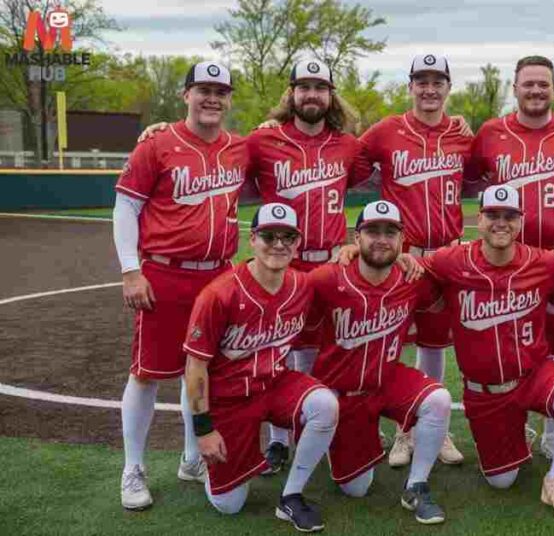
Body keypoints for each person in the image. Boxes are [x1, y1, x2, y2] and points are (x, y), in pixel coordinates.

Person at [113, 61, 248, 510]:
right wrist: (131, 269)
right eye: (203, 90)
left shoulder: (239, 147)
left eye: (220, 91)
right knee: (148, 373)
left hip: (218, 273)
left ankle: (192, 458)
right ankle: (133, 467)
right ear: (185, 94)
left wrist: (272, 121)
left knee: (206, 369)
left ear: (229, 99)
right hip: (165, 274)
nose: (212, 98)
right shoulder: (158, 144)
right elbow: (126, 207)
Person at [419, 185, 554, 520]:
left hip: (534, 376)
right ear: (479, 219)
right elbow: (407, 268)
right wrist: (356, 252)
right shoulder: (450, 261)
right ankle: (515, 433)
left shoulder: (544, 261)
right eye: (493, 215)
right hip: (486, 393)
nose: (501, 223)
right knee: (502, 481)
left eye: (510, 216)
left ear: (521, 221)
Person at [467, 55, 554, 467]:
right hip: (508, 265)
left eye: (544, 84)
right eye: (529, 84)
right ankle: (515, 424)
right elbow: (468, 181)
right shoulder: (490, 133)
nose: (536, 91)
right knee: (510, 347)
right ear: (515, 87)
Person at [247, 59, 371, 473]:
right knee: (278, 349)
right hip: (283, 264)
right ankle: (279, 439)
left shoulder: (348, 146)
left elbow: (366, 172)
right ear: (292, 94)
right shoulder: (263, 141)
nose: (312, 94)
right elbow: (222, 154)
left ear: (331, 95)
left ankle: (329, 424)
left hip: (333, 263)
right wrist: (157, 128)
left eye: (320, 87)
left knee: (334, 348)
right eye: (304, 87)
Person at [182, 203, 338, 532]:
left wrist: (353, 249)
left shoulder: (303, 285)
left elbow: (351, 274)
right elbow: (195, 367)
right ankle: (209, 464)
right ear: (252, 239)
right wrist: (204, 430)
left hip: (275, 384)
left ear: (298, 243)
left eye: (288, 237)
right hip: (230, 398)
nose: (278, 244)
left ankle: (291, 495)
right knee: (229, 505)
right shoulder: (219, 294)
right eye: (268, 235)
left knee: (325, 404)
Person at [308, 201, 453, 525]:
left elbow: (447, 288)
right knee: (357, 489)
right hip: (342, 393)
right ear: (356, 238)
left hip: (386, 380)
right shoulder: (327, 278)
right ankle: (326, 437)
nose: (382, 239)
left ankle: (416, 485)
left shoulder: (412, 276)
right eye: (372, 231)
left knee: (439, 398)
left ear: (402, 240)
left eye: (391, 232)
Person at [359, 54, 472, 468]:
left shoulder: (461, 135)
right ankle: (401, 430)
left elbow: (476, 174)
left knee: (434, 343)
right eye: (421, 81)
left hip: (447, 254)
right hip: (401, 257)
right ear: (410, 86)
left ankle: (434, 428)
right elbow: (348, 162)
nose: (429, 88)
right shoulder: (386, 130)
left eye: (437, 81)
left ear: (448, 87)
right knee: (392, 341)